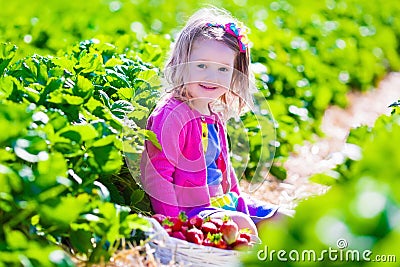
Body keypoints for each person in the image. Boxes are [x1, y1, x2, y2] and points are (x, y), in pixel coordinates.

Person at [140, 6, 280, 235]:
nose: (211, 77)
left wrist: (240, 201)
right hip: (193, 213)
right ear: (182, 63)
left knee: (284, 219)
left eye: (223, 69)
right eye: (202, 65)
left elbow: (224, 169)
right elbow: (159, 175)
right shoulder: (171, 115)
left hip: (224, 204)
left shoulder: (212, 115)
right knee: (241, 226)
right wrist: (175, 225)